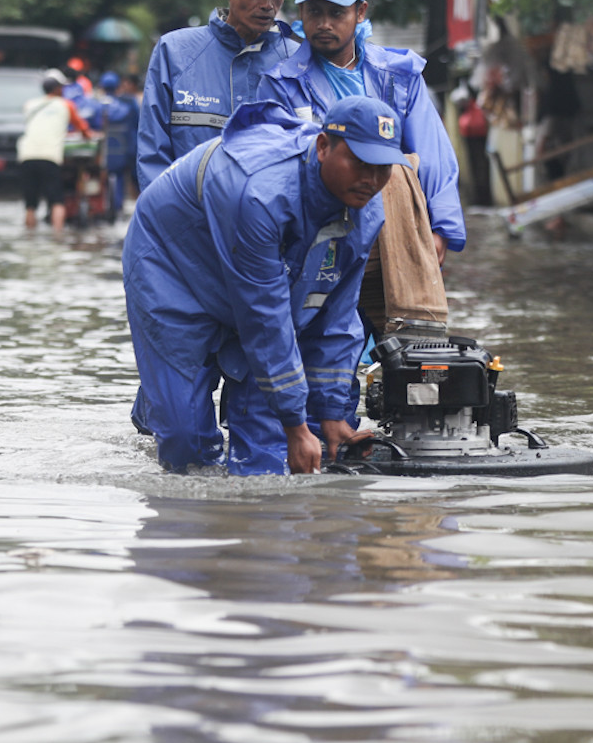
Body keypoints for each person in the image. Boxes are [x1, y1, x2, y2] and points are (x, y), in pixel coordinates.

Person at [122, 95, 406, 475]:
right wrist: (296, 423)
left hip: (259, 276)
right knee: (186, 447)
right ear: (323, 147)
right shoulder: (261, 192)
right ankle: (167, 397)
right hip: (173, 264)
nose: (371, 179)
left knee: (265, 459)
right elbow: (264, 318)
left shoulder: (366, 211)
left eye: (383, 167)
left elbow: (336, 316)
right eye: (359, 162)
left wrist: (331, 416)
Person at [257, 0, 465, 264]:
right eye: (315, 11)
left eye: (337, 12)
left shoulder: (400, 76)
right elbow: (273, 172)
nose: (324, 23)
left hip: (396, 231)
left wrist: (441, 229)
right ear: (301, 12)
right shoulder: (280, 84)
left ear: (360, 12)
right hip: (315, 235)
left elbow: (433, 155)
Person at [136, 0, 299, 190]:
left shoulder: (298, 61)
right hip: (190, 223)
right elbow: (152, 155)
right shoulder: (175, 51)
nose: (268, 4)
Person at [16, 73, 93, 232]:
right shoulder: (66, 105)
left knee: (30, 205)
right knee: (57, 201)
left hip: (26, 155)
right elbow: (83, 129)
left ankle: (29, 237)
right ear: (58, 89)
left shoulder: (29, 105)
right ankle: (57, 237)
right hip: (49, 156)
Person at [98, 71, 140, 218]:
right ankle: (123, 208)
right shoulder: (129, 103)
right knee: (127, 180)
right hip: (126, 149)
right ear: (117, 86)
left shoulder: (97, 104)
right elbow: (138, 123)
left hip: (102, 153)